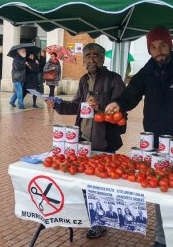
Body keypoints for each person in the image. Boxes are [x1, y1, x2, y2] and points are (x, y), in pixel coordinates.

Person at [105, 26, 173, 247]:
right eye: (153, 47)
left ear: (170, 45)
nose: (158, 51)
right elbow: (131, 94)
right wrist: (118, 103)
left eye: (162, 45)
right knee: (160, 190)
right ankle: (162, 239)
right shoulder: (146, 73)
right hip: (154, 144)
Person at [46, 43, 127, 239]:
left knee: (100, 185)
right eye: (87, 56)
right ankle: (92, 218)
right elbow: (76, 106)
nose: (91, 59)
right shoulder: (83, 80)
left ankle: (100, 223)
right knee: (84, 183)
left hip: (105, 141)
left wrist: (102, 106)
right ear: (83, 60)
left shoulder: (113, 80)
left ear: (102, 58)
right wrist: (57, 104)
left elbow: (122, 108)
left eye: (95, 55)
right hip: (83, 140)